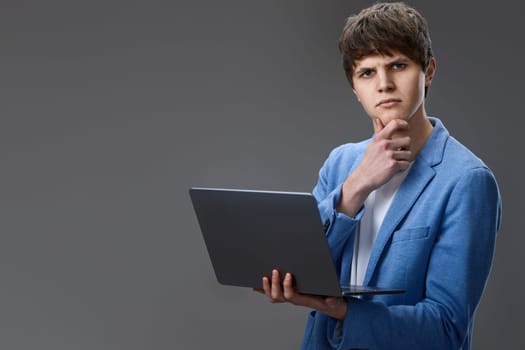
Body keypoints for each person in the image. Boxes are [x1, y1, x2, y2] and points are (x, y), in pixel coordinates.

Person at [254, 2, 502, 349]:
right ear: (355, 89)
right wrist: (357, 186)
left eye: (397, 65)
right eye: (367, 72)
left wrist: (344, 311)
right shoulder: (340, 163)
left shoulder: (467, 181)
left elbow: (446, 329)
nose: (383, 84)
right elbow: (300, 264)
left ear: (428, 71)